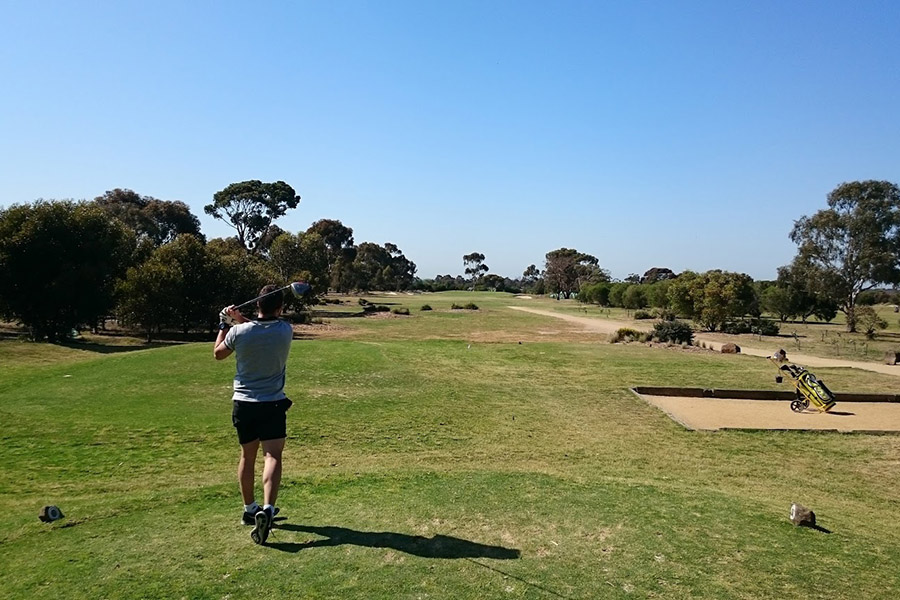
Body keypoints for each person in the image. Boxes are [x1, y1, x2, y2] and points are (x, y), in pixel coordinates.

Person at [214, 284, 294, 545]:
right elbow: (262, 329)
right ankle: (268, 509)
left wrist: (225, 323)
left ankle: (250, 509)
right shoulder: (285, 330)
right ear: (280, 308)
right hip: (272, 403)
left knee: (248, 456)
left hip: (244, 404)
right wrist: (237, 320)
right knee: (272, 455)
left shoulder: (239, 332)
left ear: (257, 304)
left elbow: (218, 354)